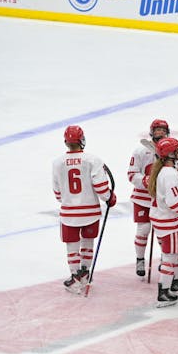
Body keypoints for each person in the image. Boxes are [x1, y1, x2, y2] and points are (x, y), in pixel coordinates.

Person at [52, 126, 116, 294]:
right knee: (87, 243)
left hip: (69, 213)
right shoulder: (92, 160)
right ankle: (85, 274)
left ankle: (75, 278)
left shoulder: (57, 162)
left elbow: (57, 192)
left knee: (72, 246)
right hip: (90, 212)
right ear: (82, 140)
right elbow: (101, 186)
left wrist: (67, 200)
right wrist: (109, 197)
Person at [148, 137, 178, 307]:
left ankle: (175, 282)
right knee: (170, 256)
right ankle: (164, 292)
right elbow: (175, 204)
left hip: (163, 220)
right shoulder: (170, 174)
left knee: (177, 251)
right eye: (176, 150)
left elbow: (171, 195)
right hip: (169, 222)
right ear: (170, 154)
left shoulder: (164, 171)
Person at [128, 119, 169, 278]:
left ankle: (165, 258)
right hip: (142, 197)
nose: (160, 133)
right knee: (143, 229)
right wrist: (146, 181)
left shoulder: (169, 150)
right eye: (157, 130)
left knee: (161, 231)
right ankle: (140, 259)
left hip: (160, 199)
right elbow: (131, 174)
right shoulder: (140, 151)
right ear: (152, 132)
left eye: (163, 130)